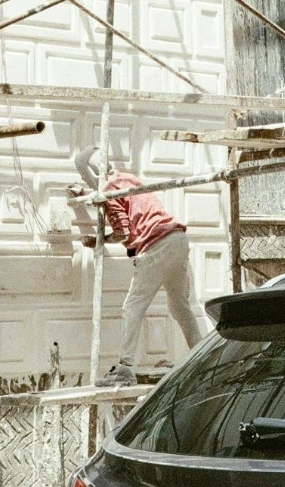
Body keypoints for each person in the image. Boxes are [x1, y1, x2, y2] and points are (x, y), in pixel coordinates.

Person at [72, 146, 206, 387]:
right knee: (179, 306)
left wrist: (99, 240)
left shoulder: (107, 190)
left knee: (132, 307)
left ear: (90, 172)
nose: (86, 180)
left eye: (85, 176)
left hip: (156, 245)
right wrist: (87, 194)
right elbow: (123, 201)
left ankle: (125, 367)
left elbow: (123, 232)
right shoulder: (127, 178)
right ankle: (202, 357)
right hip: (177, 239)